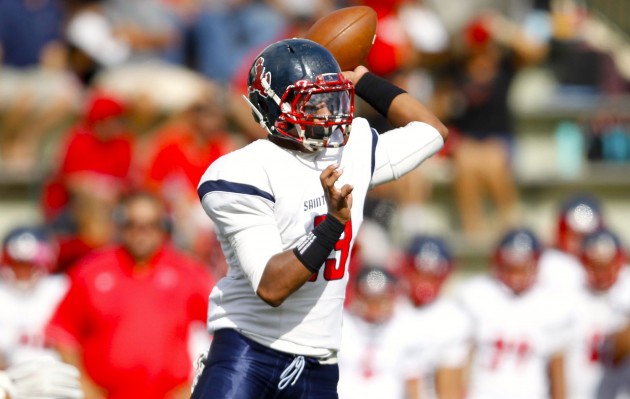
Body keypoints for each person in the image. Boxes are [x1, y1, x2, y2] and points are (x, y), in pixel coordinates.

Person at [192, 37, 448, 398]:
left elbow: (432, 132)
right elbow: (272, 286)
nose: (329, 112)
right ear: (272, 107)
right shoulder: (243, 171)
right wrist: (333, 224)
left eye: (332, 97)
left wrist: (363, 80)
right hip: (249, 350)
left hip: (320, 360)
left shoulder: (350, 148)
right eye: (313, 101)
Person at [45, 191, 215, 399]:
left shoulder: (187, 272)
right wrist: (85, 388)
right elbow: (63, 334)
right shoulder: (91, 271)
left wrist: (193, 386)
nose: (141, 232)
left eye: (150, 224)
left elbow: (225, 331)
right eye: (132, 224)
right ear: (120, 226)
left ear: (163, 227)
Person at [455, 228, 574, 399]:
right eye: (509, 267)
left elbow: (557, 369)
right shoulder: (476, 294)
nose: (515, 276)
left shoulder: (553, 303)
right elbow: (460, 360)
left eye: (522, 268)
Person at [399, 235, 470, 399]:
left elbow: (449, 390)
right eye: (420, 272)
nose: (425, 281)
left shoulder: (454, 320)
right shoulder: (390, 307)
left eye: (433, 274)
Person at [565, 227, 630, 399]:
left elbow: (621, 348)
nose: (601, 273)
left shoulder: (625, 292)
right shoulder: (566, 296)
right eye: (595, 265)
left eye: (607, 265)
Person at [337, 266, 421, 399]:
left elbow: (412, 379)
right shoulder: (339, 323)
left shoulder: (405, 326)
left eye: (381, 298)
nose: (374, 305)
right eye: (368, 298)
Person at [0, 225, 67, 367]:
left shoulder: (61, 289)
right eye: (17, 264)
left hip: (59, 376)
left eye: (31, 265)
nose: (24, 272)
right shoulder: (3, 293)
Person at [538, 194, 604, 294]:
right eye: (573, 235)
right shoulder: (544, 264)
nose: (581, 243)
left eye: (586, 236)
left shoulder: (612, 267)